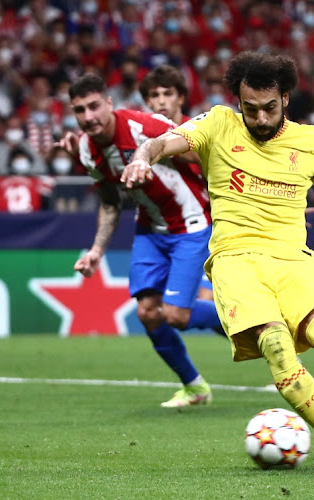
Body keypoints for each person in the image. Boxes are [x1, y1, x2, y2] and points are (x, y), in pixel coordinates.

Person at [120, 52, 314, 466]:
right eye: (249, 108)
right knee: (275, 344)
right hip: (235, 260)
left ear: (285, 98)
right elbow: (163, 141)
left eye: (269, 108)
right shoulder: (218, 123)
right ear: (238, 100)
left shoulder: (310, 141)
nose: (260, 118)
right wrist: (143, 157)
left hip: (293, 260)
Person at [60, 73, 222, 408]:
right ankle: (194, 387)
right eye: (80, 110)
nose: (88, 117)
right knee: (148, 313)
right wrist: (96, 250)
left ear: (109, 104)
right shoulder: (88, 151)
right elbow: (109, 201)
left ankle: (249, 321)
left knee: (175, 314)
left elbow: (206, 158)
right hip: (150, 230)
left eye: (94, 107)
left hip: (191, 225)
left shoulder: (144, 127)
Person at [138, 64, 214, 302]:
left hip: (205, 229)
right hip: (158, 232)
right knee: (150, 310)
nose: (162, 101)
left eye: (168, 93)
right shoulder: (139, 136)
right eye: (155, 95)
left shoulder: (200, 133)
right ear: (148, 102)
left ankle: (259, 336)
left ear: (181, 97)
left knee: (205, 300)